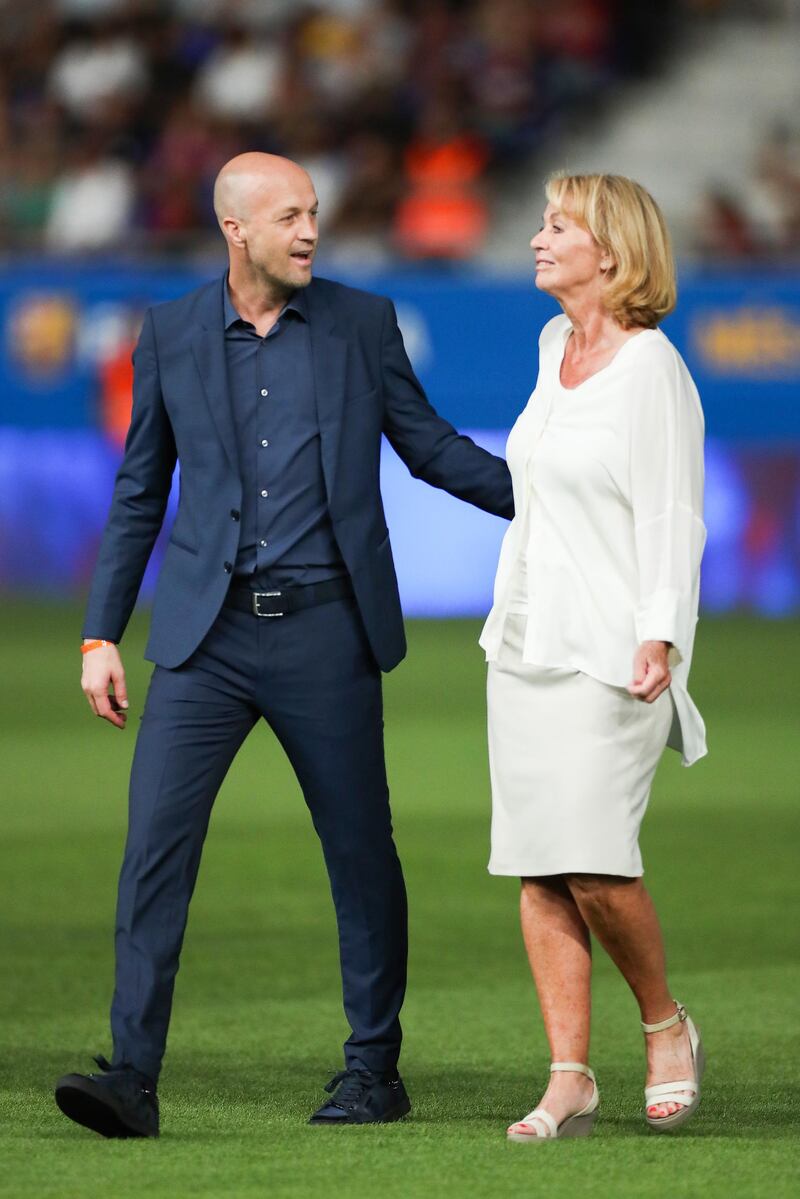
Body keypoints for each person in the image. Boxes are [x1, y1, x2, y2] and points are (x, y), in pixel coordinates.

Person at [54, 152, 513, 1138]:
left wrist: (552, 501)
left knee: (358, 853)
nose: (310, 229)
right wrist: (102, 630)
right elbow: (140, 489)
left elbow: (427, 446)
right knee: (152, 856)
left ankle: (372, 1069)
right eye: (290, 215)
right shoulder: (170, 331)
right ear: (236, 228)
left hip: (325, 631)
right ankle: (131, 1075)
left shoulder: (361, 324)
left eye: (313, 213)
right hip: (200, 638)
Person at [479, 173, 707, 1141]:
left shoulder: (651, 367)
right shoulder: (549, 345)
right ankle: (567, 1073)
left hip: (610, 646)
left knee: (597, 865)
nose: (536, 238)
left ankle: (663, 1025)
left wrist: (657, 630)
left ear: (608, 251)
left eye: (556, 225)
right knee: (538, 866)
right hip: (526, 641)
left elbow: (670, 512)